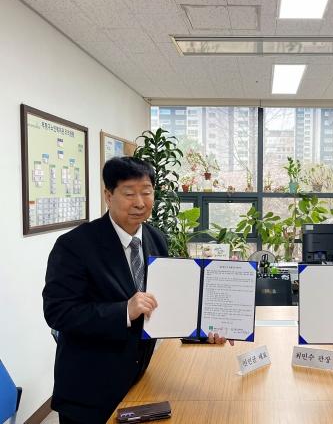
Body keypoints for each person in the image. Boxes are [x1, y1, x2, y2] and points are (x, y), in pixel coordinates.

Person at [43, 157, 230, 423]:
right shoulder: (75, 245)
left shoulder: (156, 238)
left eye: (147, 192)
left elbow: (165, 305)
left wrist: (203, 330)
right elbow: (58, 312)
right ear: (108, 196)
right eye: (129, 193)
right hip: (90, 390)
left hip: (139, 379)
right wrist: (124, 311)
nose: (140, 203)